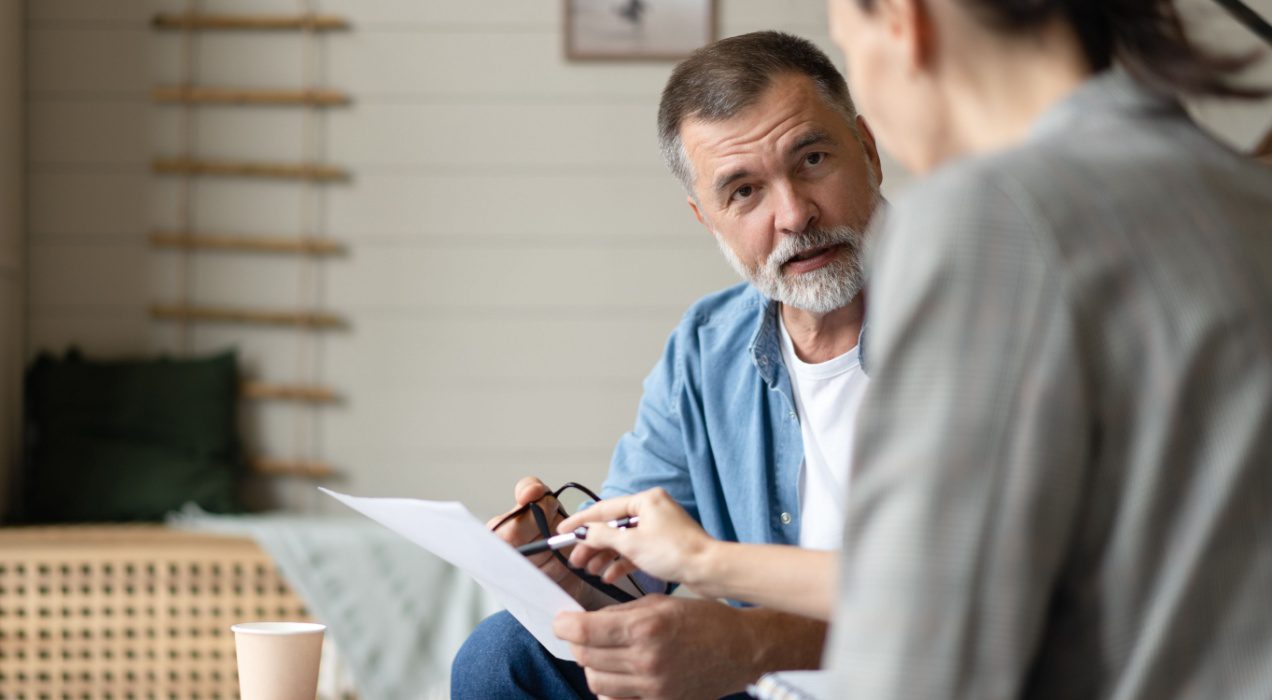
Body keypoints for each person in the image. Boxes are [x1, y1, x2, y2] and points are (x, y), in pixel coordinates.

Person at [818, 0, 1271, 697]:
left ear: (906, 24)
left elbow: (919, 669)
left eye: (847, 46)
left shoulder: (987, 218)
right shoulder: (1244, 197)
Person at [450, 31, 884, 699]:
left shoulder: (974, 313)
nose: (794, 214)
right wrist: (562, 577)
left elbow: (977, 596)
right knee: (503, 656)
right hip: (763, 685)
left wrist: (750, 642)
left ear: (869, 152)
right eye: (743, 192)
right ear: (705, 218)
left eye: (814, 158)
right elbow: (633, 568)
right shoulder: (708, 346)